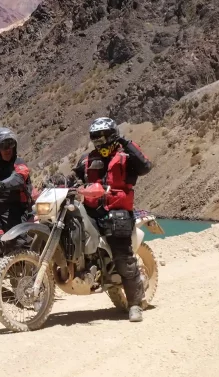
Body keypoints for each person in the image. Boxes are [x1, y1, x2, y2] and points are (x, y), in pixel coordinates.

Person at [72, 117, 152, 323]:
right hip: (92, 211)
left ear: (112, 135)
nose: (99, 142)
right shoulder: (88, 159)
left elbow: (145, 166)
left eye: (102, 137)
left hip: (117, 211)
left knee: (123, 257)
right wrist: (61, 184)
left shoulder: (126, 156)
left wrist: (126, 142)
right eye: (95, 138)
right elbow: (75, 177)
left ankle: (135, 304)